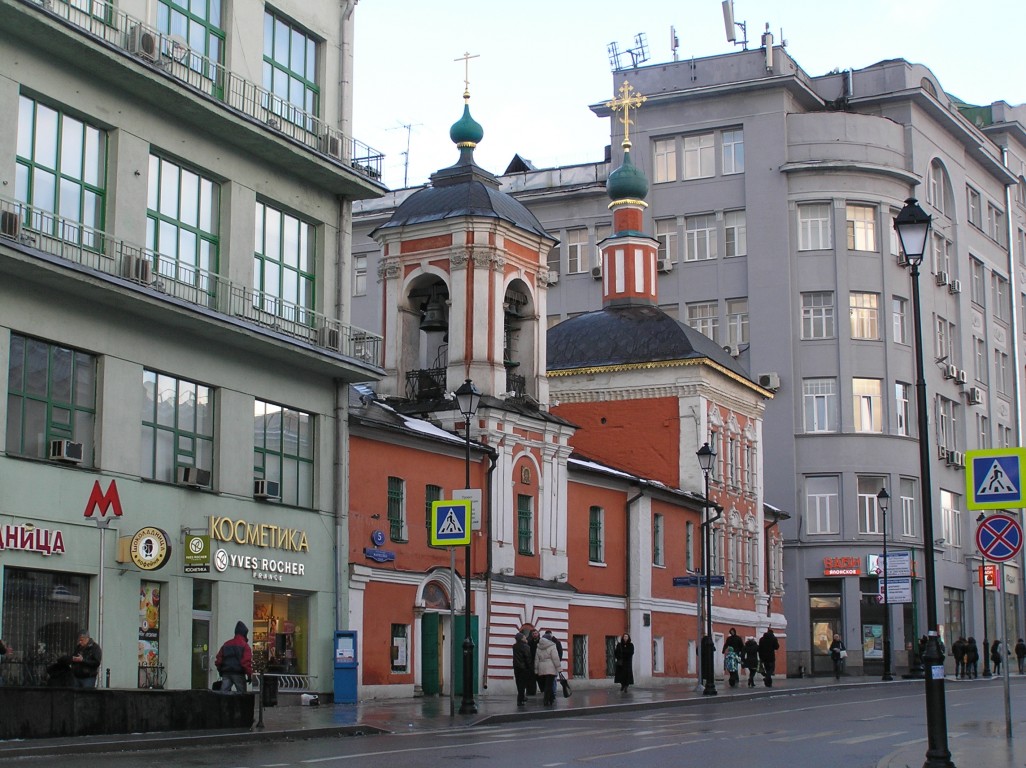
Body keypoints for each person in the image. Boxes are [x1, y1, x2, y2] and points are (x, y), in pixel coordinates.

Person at [215, 621, 254, 693]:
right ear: (244, 634)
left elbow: (218, 660)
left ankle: (221, 700)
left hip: (226, 673)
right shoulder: (245, 645)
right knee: (242, 694)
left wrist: (220, 671)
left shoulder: (226, 644)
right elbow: (246, 662)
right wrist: (249, 675)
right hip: (238, 673)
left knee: (223, 694)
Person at [534, 628, 561, 706]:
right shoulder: (552, 646)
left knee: (546, 684)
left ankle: (551, 699)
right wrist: (559, 668)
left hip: (541, 668)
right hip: (551, 668)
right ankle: (546, 700)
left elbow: (536, 659)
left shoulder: (538, 647)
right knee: (549, 685)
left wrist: (536, 669)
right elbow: (555, 658)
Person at [512, 632, 531, 706]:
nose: (525, 638)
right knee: (522, 684)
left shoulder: (514, 646)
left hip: (516, 667)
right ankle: (520, 699)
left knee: (518, 683)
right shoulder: (526, 646)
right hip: (524, 667)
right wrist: (529, 667)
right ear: (521, 638)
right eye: (524, 637)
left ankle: (522, 697)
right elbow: (527, 657)